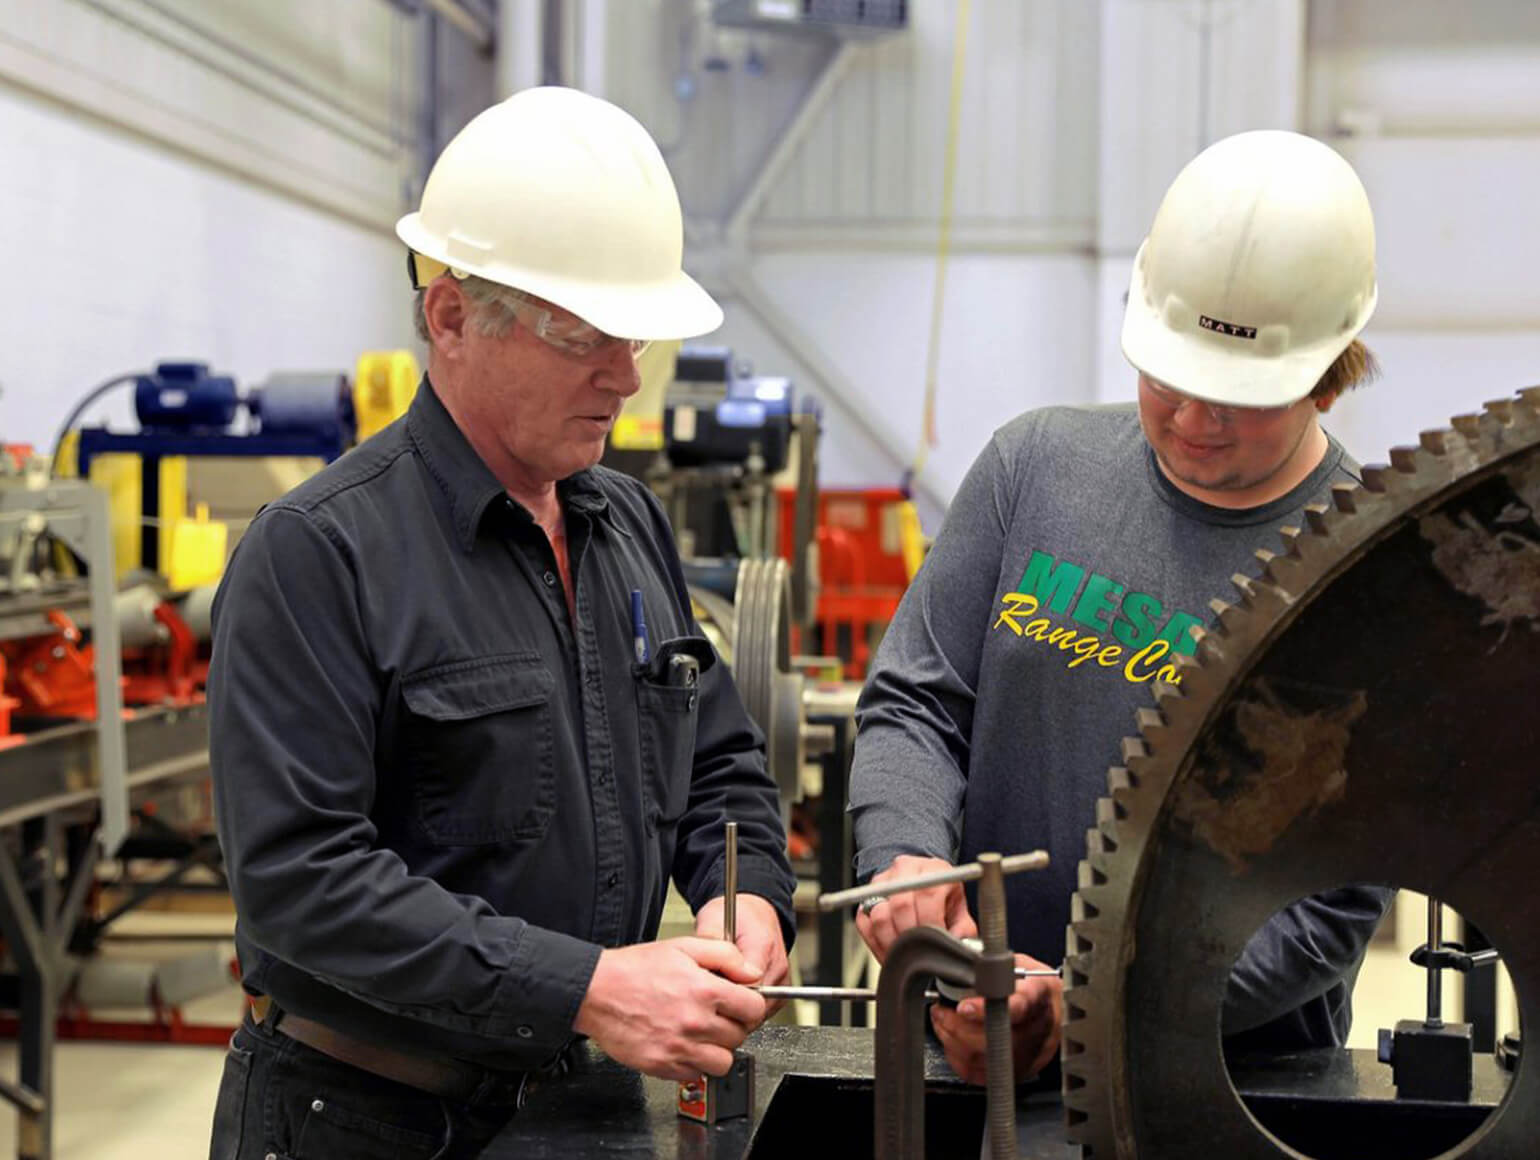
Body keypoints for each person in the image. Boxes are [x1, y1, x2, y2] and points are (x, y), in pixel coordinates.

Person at [206, 86, 795, 1160]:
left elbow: (718, 762)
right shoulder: (318, 552)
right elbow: (300, 881)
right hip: (364, 1121)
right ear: (451, 317)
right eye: (584, 337)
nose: (622, 378)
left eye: (636, 340)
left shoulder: (624, 523)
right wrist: (588, 986)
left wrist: (743, 895)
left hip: (576, 1105)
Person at [848, 130, 1395, 1087]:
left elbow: (1329, 910)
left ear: (1327, 367)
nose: (1190, 421)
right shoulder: (1034, 469)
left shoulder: (1367, 574)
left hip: (1227, 1090)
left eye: (1235, 399)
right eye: (1167, 382)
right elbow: (916, 703)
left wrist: (1095, 1004)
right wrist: (906, 860)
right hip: (978, 1048)